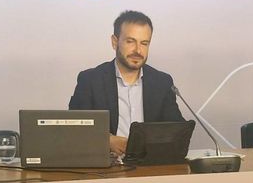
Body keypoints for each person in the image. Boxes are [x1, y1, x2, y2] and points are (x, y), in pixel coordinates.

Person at [69, 10, 183, 156]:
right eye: (130, 41)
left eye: (144, 43)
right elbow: (73, 127)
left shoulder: (162, 82)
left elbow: (176, 130)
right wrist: (106, 140)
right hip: (105, 167)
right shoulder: (91, 80)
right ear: (114, 42)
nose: (138, 50)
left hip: (150, 166)